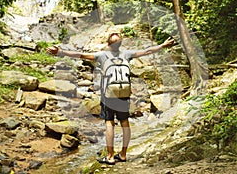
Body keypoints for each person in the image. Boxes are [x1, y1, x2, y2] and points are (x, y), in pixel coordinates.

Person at [46, 33, 174, 165]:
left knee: (109, 123)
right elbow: (147, 51)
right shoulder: (126, 54)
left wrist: (60, 52)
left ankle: (111, 156)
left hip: (109, 95)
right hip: (124, 94)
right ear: (120, 44)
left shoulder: (102, 55)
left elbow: (80, 55)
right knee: (125, 122)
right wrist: (163, 45)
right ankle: (123, 154)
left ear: (108, 44)